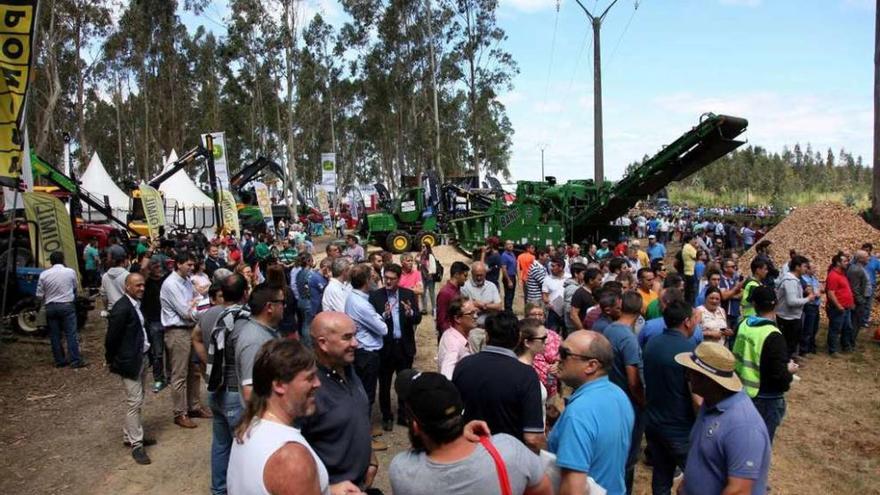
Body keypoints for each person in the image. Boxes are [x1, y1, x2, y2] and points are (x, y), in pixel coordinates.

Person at [227, 339, 362, 495]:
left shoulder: (250, 427)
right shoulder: (291, 458)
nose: (318, 384)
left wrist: (329, 491)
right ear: (278, 385)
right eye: (310, 378)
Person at [390, 369, 552, 495]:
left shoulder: (403, 470)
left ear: (416, 427)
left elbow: (418, 450)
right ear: (462, 411)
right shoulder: (508, 451)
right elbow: (543, 489)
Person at [676, 342, 771, 495]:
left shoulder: (744, 427)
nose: (687, 375)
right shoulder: (710, 403)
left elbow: (739, 491)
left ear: (710, 380)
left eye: (693, 372)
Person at [548, 330, 634, 495]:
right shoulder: (619, 395)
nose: (557, 358)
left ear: (591, 365)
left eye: (564, 354)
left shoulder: (578, 413)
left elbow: (573, 489)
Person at [300, 312, 377, 491]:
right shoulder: (308, 388)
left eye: (355, 335)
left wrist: (371, 458)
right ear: (322, 343)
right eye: (347, 338)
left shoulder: (349, 369)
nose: (355, 343)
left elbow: (359, 416)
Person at [453, 312, 545, 452]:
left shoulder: (464, 365)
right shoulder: (526, 375)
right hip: (508, 458)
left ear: (487, 336)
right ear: (518, 338)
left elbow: (455, 415)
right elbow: (532, 438)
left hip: (469, 451)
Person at [644, 298, 702, 495]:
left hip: (653, 423)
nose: (696, 323)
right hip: (680, 428)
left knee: (661, 477)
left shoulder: (652, 343)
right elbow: (696, 397)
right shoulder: (688, 351)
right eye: (695, 319)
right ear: (687, 321)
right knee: (699, 479)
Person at [198, 273, 249, 495]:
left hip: (216, 390)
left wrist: (210, 364)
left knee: (220, 445)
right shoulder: (242, 319)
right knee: (244, 449)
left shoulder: (209, 314)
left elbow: (196, 338)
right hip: (233, 392)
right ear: (245, 293)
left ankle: (219, 490)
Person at [732, 286, 795, 443]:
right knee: (759, 444)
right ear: (776, 304)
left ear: (754, 304)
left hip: (741, 391)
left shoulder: (743, 325)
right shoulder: (773, 335)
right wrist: (789, 371)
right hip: (765, 398)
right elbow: (779, 376)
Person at [104, 273, 154, 465]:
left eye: (143, 285)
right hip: (129, 362)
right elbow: (111, 338)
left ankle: (131, 435)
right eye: (137, 286)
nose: (141, 288)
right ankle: (136, 444)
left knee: (138, 399)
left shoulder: (135, 305)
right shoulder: (122, 308)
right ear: (127, 287)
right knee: (134, 401)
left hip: (140, 358)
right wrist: (112, 360)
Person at [601, 291, 646, 494]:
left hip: (609, 397)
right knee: (627, 459)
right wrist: (642, 401)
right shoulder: (629, 339)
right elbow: (633, 380)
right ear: (640, 310)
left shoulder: (609, 329)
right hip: (627, 403)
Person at [369, 263, 422, 432]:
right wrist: (384, 315)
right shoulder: (376, 297)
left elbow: (418, 318)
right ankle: (387, 416)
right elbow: (372, 322)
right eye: (386, 278)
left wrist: (410, 314)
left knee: (404, 382)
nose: (388, 282)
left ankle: (403, 414)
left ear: (399, 279)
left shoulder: (408, 294)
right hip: (385, 348)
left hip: (404, 346)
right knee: (384, 384)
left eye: (392, 279)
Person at [160, 252, 208, 428]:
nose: (191, 268)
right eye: (188, 264)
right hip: (177, 331)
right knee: (179, 374)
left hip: (190, 329)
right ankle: (180, 413)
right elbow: (186, 312)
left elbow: (198, 300)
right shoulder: (171, 284)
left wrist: (195, 303)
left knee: (195, 370)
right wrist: (195, 305)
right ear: (178, 264)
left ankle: (194, 406)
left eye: (192, 265)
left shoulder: (187, 280)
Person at [344, 264, 388, 432]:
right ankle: (364, 434)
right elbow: (383, 329)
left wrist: (379, 316)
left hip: (362, 351)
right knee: (366, 395)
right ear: (366, 281)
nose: (375, 280)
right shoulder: (361, 304)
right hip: (367, 354)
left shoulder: (355, 298)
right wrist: (380, 319)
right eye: (372, 277)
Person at [37, 251, 84, 369]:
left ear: (51, 262)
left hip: (51, 306)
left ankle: (60, 360)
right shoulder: (70, 272)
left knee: (54, 335)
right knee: (71, 333)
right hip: (67, 305)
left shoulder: (44, 274)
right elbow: (74, 287)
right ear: (63, 260)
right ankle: (75, 360)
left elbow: (39, 295)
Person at [776, 255, 815, 360]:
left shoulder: (795, 280)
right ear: (797, 267)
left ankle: (789, 362)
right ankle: (785, 366)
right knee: (787, 345)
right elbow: (791, 301)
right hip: (787, 318)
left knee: (791, 344)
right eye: (805, 266)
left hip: (792, 316)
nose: (806, 269)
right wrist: (808, 299)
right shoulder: (790, 281)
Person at [142, 259, 169, 392]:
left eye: (159, 266)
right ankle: (159, 378)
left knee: (170, 351)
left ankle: (169, 376)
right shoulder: (146, 283)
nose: (158, 269)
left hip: (167, 320)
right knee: (157, 353)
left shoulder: (167, 281)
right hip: (154, 321)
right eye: (154, 266)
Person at [438, 298, 478, 379]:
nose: (476, 316)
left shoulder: (460, 336)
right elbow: (447, 377)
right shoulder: (452, 345)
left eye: (476, 312)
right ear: (457, 319)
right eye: (471, 313)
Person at [825, 252, 856, 355]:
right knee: (835, 329)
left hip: (846, 308)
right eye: (845, 261)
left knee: (848, 327)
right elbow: (830, 293)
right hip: (838, 309)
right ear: (838, 263)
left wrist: (850, 303)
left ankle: (845, 346)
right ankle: (832, 350)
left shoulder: (842, 274)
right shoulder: (833, 275)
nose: (847, 263)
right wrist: (838, 306)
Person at [460, 261, 502, 326]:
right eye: (476, 275)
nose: (479, 278)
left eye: (481, 275)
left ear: (485, 273)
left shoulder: (491, 286)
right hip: (472, 328)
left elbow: (499, 307)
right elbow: (463, 308)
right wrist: (490, 307)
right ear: (472, 273)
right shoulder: (465, 287)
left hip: (490, 327)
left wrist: (482, 305)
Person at [436, 261, 470, 337]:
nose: (466, 279)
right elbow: (441, 320)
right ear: (457, 275)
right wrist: (450, 336)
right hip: (449, 336)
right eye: (465, 275)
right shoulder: (445, 293)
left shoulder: (457, 290)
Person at [846, 250, 870, 349]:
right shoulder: (856, 270)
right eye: (867, 256)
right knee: (855, 322)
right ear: (860, 259)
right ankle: (849, 343)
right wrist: (861, 301)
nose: (869, 258)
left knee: (857, 322)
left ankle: (851, 342)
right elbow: (854, 288)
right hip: (858, 301)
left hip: (862, 299)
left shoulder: (861, 268)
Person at [799, 262, 821, 355]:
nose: (815, 270)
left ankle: (811, 346)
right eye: (813, 268)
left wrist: (818, 292)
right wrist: (814, 293)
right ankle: (804, 349)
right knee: (808, 328)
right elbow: (809, 292)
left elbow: (818, 289)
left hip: (816, 305)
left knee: (815, 327)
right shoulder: (803, 280)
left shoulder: (814, 278)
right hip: (809, 306)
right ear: (807, 269)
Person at [541, 256, 566, 331]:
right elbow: (544, 295)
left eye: (553, 266)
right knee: (552, 333)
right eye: (551, 266)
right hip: (553, 312)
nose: (551, 268)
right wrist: (547, 303)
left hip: (566, 311)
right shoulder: (547, 279)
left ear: (561, 267)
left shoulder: (569, 278)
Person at [102, 245, 130, 311]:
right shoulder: (128, 276)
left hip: (112, 310)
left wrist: (106, 309)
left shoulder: (105, 276)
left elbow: (104, 296)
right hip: (126, 311)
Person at [419, 243, 439, 314]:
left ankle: (434, 309)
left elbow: (433, 268)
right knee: (423, 293)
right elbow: (418, 263)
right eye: (422, 246)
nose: (422, 248)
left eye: (424, 247)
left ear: (427, 247)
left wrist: (429, 275)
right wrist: (420, 254)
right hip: (423, 276)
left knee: (431, 293)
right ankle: (424, 309)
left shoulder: (430, 256)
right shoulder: (422, 256)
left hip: (430, 277)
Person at [501, 240, 518, 312]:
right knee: (508, 295)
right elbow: (504, 269)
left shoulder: (512, 254)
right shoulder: (504, 256)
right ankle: (507, 311)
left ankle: (509, 310)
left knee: (512, 295)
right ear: (505, 246)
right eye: (508, 244)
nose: (511, 245)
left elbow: (515, 266)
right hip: (508, 277)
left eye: (511, 244)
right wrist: (508, 281)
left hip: (513, 276)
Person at [680, 234, 698, 305]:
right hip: (691, 271)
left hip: (687, 271)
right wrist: (697, 248)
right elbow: (697, 256)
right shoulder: (689, 247)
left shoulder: (686, 247)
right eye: (694, 239)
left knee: (688, 291)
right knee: (691, 292)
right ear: (689, 240)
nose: (695, 241)